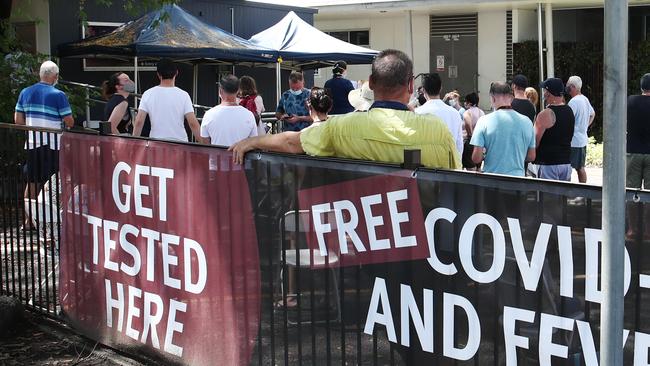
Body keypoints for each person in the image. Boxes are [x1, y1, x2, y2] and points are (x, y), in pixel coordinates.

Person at [230, 49, 460, 170]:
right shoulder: (437, 130)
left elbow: (292, 142)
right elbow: (457, 179)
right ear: (410, 85)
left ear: (370, 82)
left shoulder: (341, 127)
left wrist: (251, 142)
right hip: (427, 240)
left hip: (362, 238)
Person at [14, 60, 74, 230]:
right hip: (53, 144)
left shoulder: (25, 92)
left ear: (40, 75)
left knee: (32, 182)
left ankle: (28, 221)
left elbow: (18, 121)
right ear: (55, 76)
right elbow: (69, 120)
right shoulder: (58, 95)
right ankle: (53, 221)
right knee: (54, 183)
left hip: (33, 143)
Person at [470, 82, 536, 176]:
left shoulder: (483, 121)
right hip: (518, 179)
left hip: (491, 179)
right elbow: (531, 156)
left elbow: (476, 158)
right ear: (511, 98)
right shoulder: (527, 122)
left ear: (492, 98)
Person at [133, 58, 201, 142]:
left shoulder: (147, 94)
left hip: (156, 143)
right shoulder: (184, 95)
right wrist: (205, 145)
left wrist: (134, 143)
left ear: (158, 74)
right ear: (176, 73)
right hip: (180, 143)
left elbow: (139, 121)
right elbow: (193, 124)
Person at [533, 78, 575, 181]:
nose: (544, 93)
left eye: (545, 91)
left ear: (548, 93)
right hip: (566, 162)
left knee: (549, 196)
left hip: (549, 164)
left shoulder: (545, 114)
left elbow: (534, 142)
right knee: (562, 196)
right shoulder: (569, 111)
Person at [200, 74, 257, 147]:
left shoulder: (209, 114)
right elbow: (253, 143)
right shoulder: (249, 115)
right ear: (238, 91)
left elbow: (205, 145)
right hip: (240, 158)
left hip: (216, 157)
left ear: (220, 91)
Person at [626, 73, 650, 240]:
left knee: (631, 191)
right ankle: (648, 230)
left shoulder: (630, 101)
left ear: (642, 87)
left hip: (633, 150)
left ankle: (633, 229)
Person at [415, 73, 464, 156]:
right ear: (441, 88)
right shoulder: (455, 113)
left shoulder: (417, 113)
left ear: (423, 90)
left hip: (425, 164)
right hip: (450, 163)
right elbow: (459, 144)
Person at [566, 75, 595, 183]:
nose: (566, 86)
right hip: (582, 139)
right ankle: (583, 190)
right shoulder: (584, 99)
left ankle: (569, 191)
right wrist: (585, 126)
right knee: (580, 167)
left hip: (573, 141)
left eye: (568, 84)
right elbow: (593, 114)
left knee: (570, 167)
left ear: (572, 87)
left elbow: (567, 120)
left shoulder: (573, 102)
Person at [461, 92, 485, 170]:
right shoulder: (482, 112)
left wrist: (470, 135)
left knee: (470, 168)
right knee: (478, 168)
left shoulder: (467, 113)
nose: (464, 103)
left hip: (470, 142)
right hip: (480, 143)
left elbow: (468, 125)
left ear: (469, 102)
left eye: (466, 101)